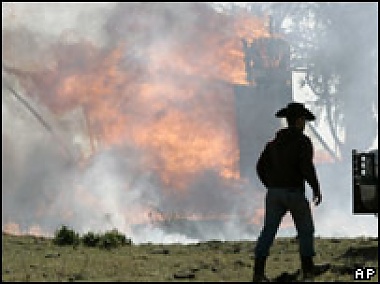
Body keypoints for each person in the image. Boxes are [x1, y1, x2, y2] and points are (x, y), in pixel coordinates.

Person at [252, 102, 327, 282]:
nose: (304, 124)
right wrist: (316, 188)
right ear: (300, 120)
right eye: (304, 120)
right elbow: (306, 168)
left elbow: (260, 167)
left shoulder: (273, 143)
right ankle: (308, 270)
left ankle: (258, 273)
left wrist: (270, 184)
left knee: (268, 231)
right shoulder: (302, 142)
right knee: (305, 230)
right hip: (294, 193)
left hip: (274, 194)